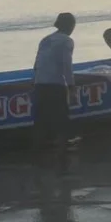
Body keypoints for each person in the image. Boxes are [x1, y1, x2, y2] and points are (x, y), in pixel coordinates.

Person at [32, 12, 76, 153]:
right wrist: (71, 87)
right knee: (61, 121)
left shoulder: (45, 39)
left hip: (40, 84)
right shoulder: (67, 41)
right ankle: (63, 152)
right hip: (55, 85)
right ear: (70, 26)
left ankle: (38, 152)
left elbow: (36, 65)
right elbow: (66, 66)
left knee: (41, 121)